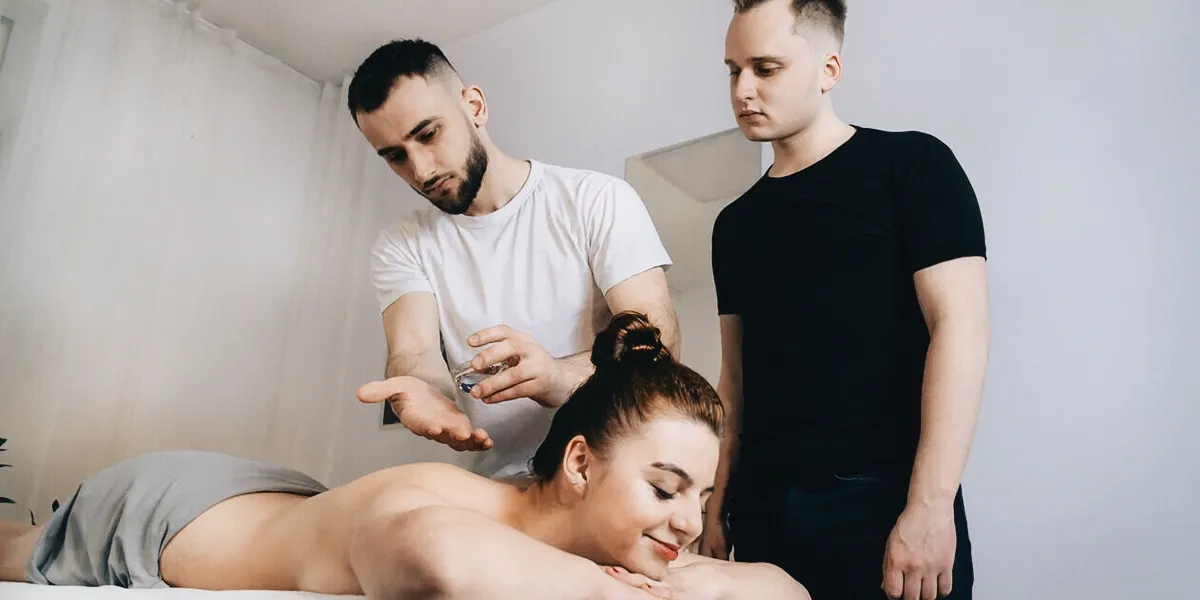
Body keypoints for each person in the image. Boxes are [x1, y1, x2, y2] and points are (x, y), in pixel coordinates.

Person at [0, 313, 807, 600]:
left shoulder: (615, 539)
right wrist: (613, 592)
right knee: (19, 546)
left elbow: (784, 590)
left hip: (289, 501)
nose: (687, 523)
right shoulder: (453, 511)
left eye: (701, 499)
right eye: (666, 489)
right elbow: (434, 563)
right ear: (581, 465)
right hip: (177, 518)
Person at [699, 2, 990, 600]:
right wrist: (714, 500)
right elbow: (735, 379)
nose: (743, 90)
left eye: (765, 68)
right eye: (733, 70)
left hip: (882, 502)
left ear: (828, 69)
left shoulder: (913, 166)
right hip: (765, 510)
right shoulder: (734, 225)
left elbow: (961, 329)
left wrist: (930, 507)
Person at [347, 39, 678, 481]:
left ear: (474, 106)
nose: (421, 171)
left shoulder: (596, 199)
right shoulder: (402, 244)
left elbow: (658, 340)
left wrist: (558, 376)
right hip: (498, 484)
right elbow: (415, 351)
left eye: (428, 135)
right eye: (395, 156)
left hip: (611, 474)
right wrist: (426, 393)